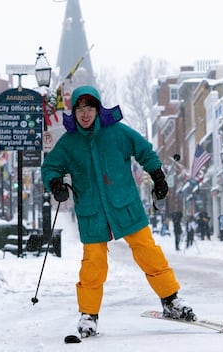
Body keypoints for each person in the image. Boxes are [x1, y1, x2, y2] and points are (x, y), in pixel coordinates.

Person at [42, 85, 196, 338]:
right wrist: (56, 184)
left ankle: (171, 300)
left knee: (148, 251)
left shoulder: (116, 133)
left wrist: (157, 175)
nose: (85, 113)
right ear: (75, 112)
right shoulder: (69, 143)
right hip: (91, 212)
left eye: (89, 108)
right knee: (93, 263)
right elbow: (50, 167)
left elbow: (144, 150)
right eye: (80, 108)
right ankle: (88, 315)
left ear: (98, 109)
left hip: (125, 205)